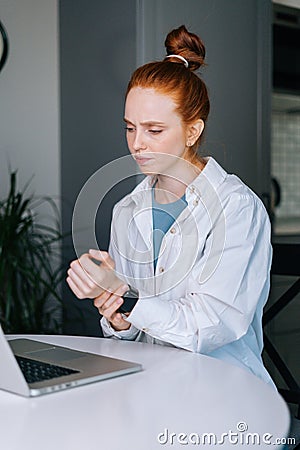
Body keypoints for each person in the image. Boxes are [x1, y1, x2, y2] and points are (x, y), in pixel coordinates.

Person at [66, 25, 275, 388]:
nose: (137, 144)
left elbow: (210, 326)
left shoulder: (236, 208)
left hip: (224, 395)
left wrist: (127, 298)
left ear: (192, 131)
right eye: (130, 128)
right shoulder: (126, 211)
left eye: (154, 130)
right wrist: (116, 311)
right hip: (150, 388)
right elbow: (129, 332)